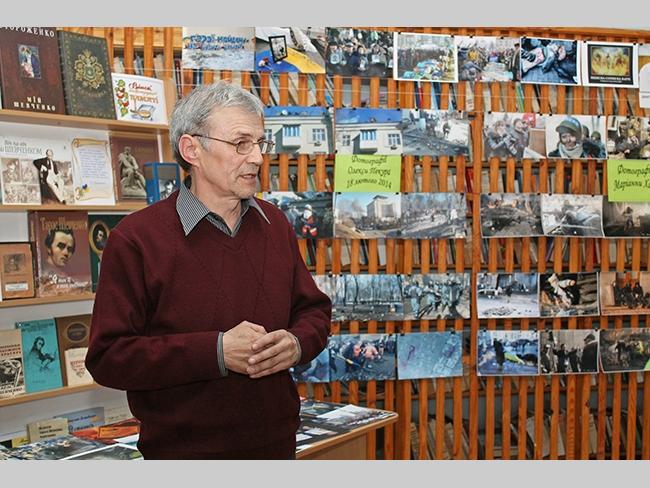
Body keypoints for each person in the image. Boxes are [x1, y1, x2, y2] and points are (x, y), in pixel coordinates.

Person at [85, 81, 331, 460]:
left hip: (277, 447)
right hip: (182, 456)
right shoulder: (135, 240)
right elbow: (108, 357)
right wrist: (216, 352)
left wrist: (296, 344)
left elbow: (313, 311)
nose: (257, 158)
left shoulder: (275, 224)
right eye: (241, 143)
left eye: (260, 143)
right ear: (192, 150)